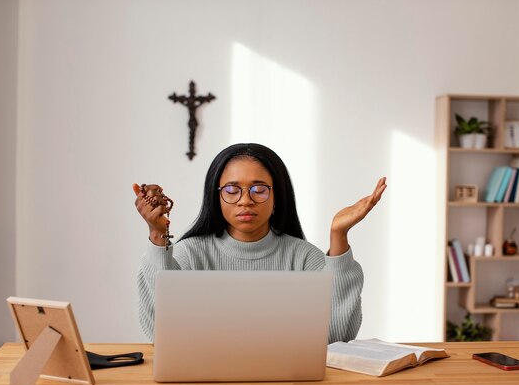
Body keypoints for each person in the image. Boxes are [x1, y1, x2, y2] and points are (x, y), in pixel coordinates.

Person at [133, 143, 387, 343]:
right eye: (232, 190)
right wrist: (157, 236)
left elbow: (336, 337)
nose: (245, 200)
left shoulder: (304, 257)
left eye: (259, 189)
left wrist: (338, 236)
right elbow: (160, 332)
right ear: (216, 197)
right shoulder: (191, 254)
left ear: (277, 196)